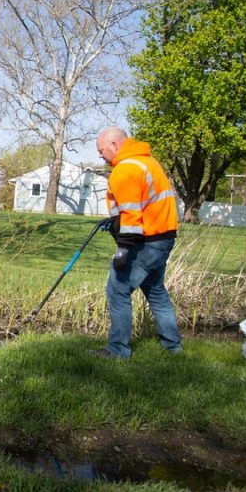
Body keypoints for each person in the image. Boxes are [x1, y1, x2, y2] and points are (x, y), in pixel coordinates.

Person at [92, 126, 182, 359]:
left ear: (115, 145)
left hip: (145, 242)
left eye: (101, 150)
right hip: (163, 237)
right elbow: (140, 205)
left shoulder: (126, 169)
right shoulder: (148, 162)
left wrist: (123, 249)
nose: (100, 155)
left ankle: (118, 349)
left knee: (117, 291)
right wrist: (114, 221)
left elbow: (132, 215)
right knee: (155, 291)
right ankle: (173, 347)